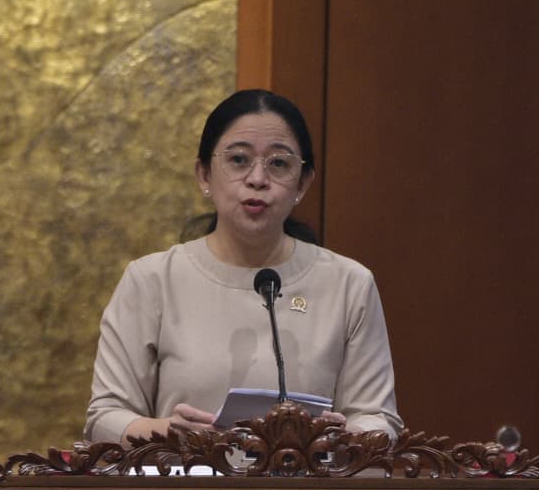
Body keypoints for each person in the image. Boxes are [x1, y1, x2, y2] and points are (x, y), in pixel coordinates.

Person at [84, 89, 403, 445]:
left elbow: (379, 418)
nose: (257, 179)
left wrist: (342, 438)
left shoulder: (349, 284)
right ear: (204, 174)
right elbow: (105, 417)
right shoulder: (151, 281)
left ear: (303, 182)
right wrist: (168, 433)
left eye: (279, 163)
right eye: (238, 160)